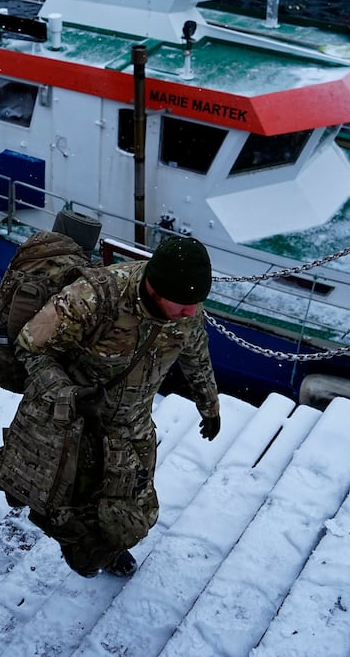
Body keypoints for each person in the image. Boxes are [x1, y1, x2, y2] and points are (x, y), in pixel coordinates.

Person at [11, 235, 222, 578]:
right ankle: (78, 538)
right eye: (183, 305)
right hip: (78, 420)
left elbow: (196, 354)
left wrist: (209, 405)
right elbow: (29, 347)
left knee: (138, 511)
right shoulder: (93, 297)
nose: (192, 312)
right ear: (154, 289)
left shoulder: (186, 304)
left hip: (134, 424)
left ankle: (104, 544)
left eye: (196, 304)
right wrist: (67, 394)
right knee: (72, 498)